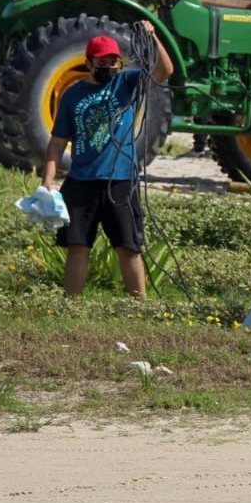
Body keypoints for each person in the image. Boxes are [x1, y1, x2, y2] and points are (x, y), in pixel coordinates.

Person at [42, 22, 173, 297]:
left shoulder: (127, 83)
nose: (108, 67)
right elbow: (56, 145)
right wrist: (47, 184)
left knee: (128, 247)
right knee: (77, 246)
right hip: (81, 182)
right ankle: (70, 305)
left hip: (120, 181)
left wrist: (153, 36)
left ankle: (139, 308)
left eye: (113, 61)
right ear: (88, 62)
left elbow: (165, 70)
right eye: (102, 62)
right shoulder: (72, 96)